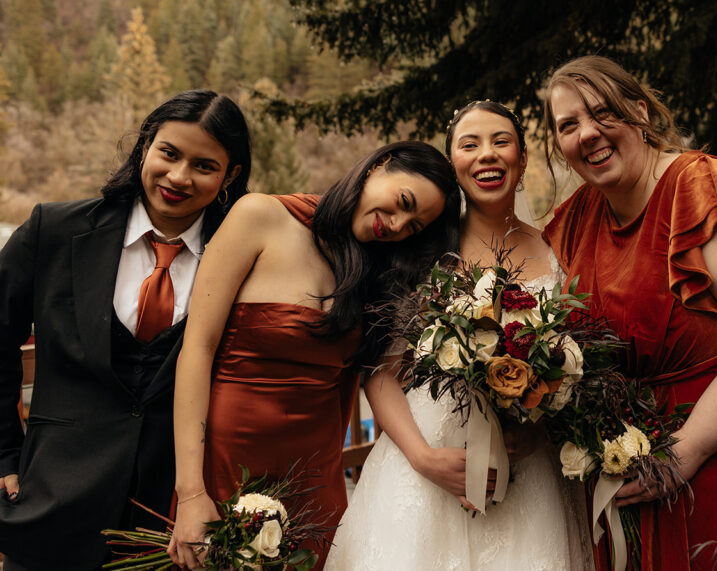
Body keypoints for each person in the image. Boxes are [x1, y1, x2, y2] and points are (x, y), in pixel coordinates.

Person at [540, 56, 717, 570]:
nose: (588, 135)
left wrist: (685, 451)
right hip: (623, 473)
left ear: (640, 112)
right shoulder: (576, 217)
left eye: (603, 113)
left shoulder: (703, 190)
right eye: (568, 126)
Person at [167, 141, 461, 571]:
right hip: (225, 463)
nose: (398, 225)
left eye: (413, 226)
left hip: (316, 479)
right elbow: (197, 349)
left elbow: (377, 376)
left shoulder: (381, 276)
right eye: (403, 202)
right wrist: (192, 492)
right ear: (378, 165)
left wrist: (425, 455)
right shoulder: (260, 216)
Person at [327, 101, 594, 570]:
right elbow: (380, 373)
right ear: (454, 163)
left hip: (529, 475)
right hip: (426, 464)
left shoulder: (557, 248)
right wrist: (425, 459)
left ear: (524, 157)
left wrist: (538, 434)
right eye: (470, 145)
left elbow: (572, 367)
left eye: (501, 142)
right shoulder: (424, 248)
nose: (486, 155)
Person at [0, 90, 252, 570]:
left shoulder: (244, 260)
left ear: (230, 176)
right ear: (145, 147)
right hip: (49, 504)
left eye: (203, 165)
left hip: (171, 524)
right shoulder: (52, 231)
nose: (178, 177)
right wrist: (3, 454)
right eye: (168, 153)